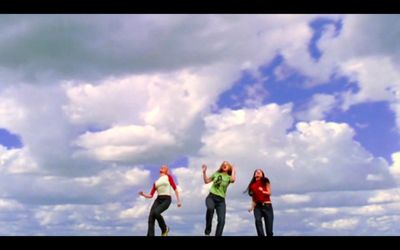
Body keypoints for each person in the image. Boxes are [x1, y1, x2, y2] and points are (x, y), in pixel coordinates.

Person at [138, 165, 182, 236]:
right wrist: (143, 194)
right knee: (151, 217)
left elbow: (175, 188)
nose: (162, 167)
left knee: (156, 212)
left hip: (166, 199)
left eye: (164, 167)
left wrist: (178, 201)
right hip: (158, 200)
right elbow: (151, 195)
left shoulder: (168, 177)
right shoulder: (156, 182)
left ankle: (164, 229)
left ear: (166, 170)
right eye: (161, 167)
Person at [202, 161, 236, 236]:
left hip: (221, 201)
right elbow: (206, 181)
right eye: (223, 164)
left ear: (229, 167)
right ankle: (207, 231)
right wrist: (204, 172)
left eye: (226, 164)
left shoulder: (228, 177)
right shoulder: (216, 173)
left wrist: (233, 170)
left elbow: (233, 180)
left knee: (222, 220)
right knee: (210, 209)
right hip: (211, 197)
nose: (224, 165)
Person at [245, 169, 273, 236]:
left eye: (259, 172)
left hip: (267, 206)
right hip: (258, 207)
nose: (258, 172)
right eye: (256, 172)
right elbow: (254, 199)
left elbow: (269, 193)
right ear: (254, 175)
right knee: (258, 221)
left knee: (269, 231)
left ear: (262, 174)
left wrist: (262, 191)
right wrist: (251, 207)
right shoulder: (252, 185)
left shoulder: (265, 181)